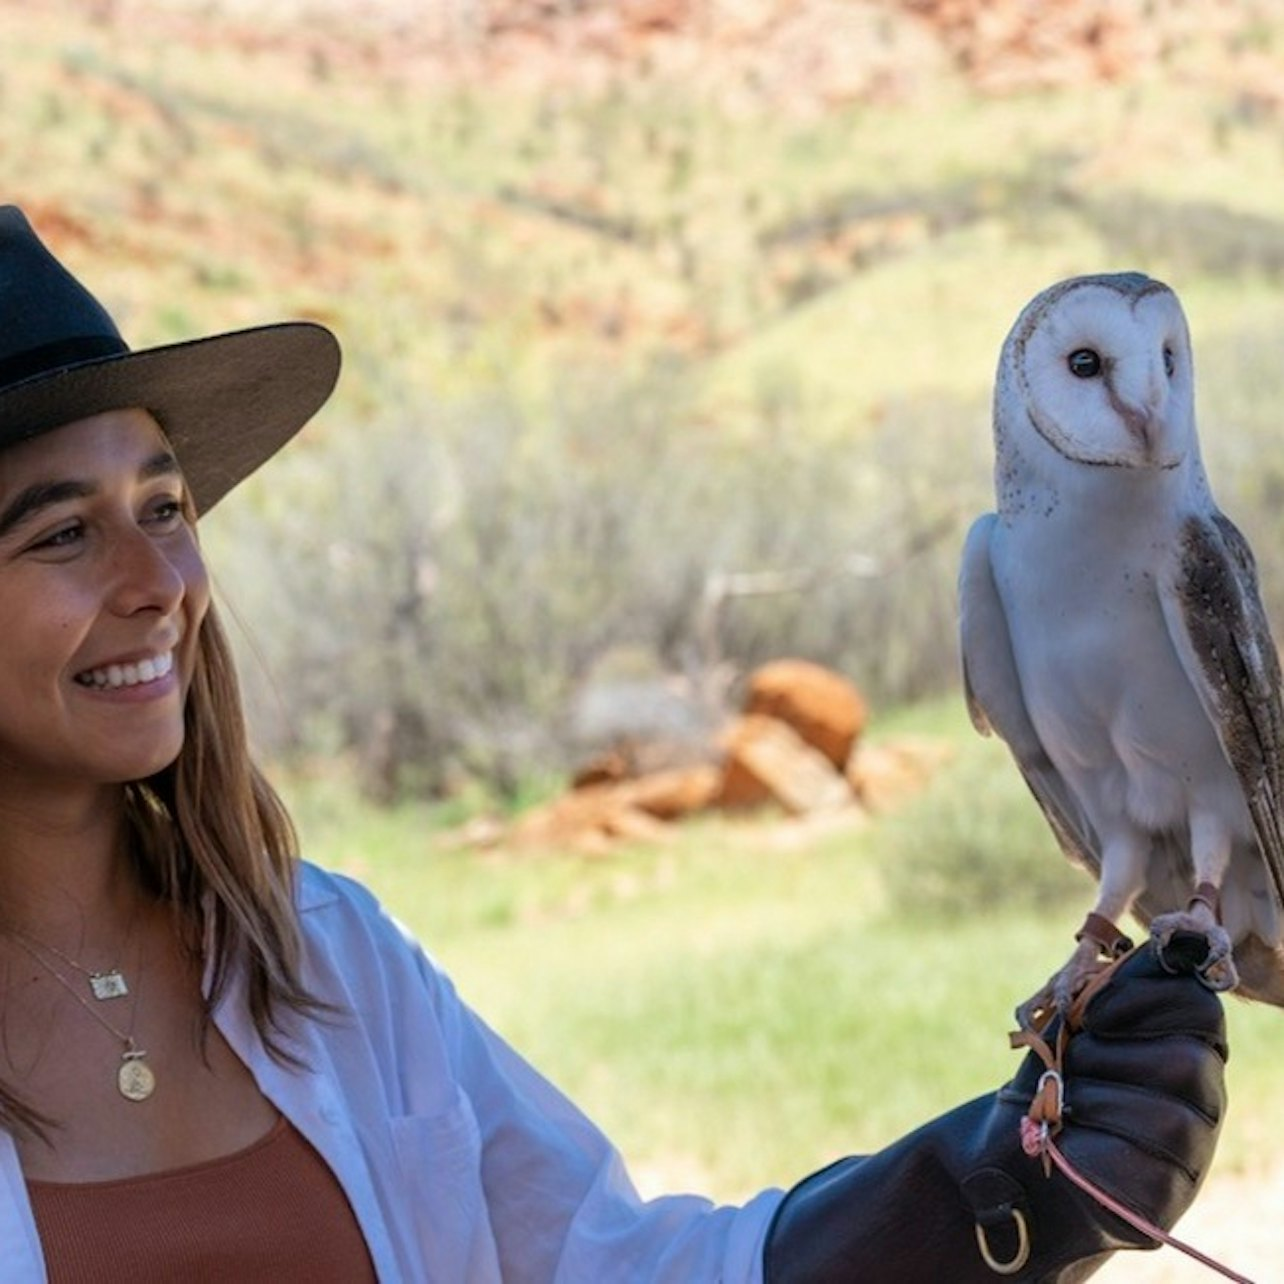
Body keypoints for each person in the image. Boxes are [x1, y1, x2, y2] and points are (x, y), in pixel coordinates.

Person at [0, 201, 1227, 1283]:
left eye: (164, 506)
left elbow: (615, 1262)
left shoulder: (323, 963)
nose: (160, 577)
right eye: (62, 534)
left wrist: (992, 1191)